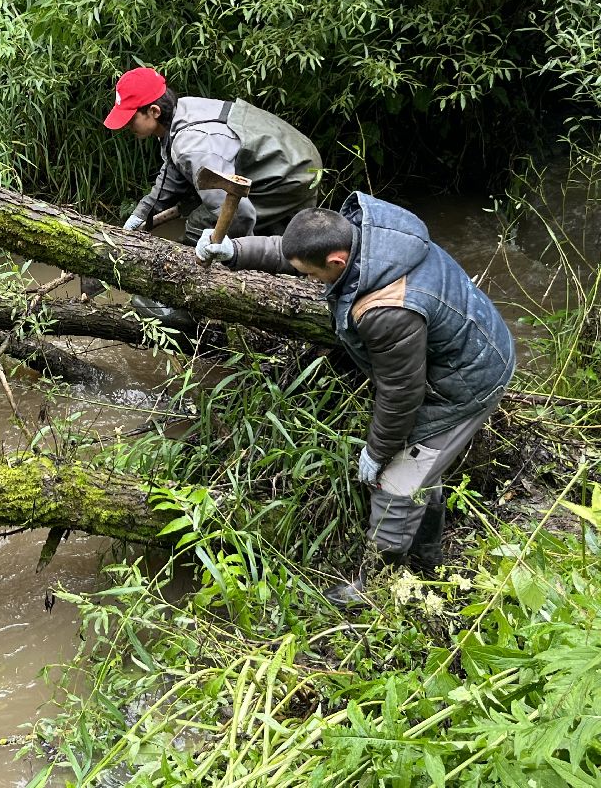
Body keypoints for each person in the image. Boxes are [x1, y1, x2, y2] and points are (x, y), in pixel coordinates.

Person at [196, 195, 516, 608]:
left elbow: (402, 395)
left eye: (311, 276)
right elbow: (293, 251)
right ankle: (426, 557)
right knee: (422, 471)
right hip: (469, 345)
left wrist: (377, 452)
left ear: (336, 261)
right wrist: (236, 250)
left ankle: (375, 586)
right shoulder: (365, 233)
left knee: (396, 483)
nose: (309, 282)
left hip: (465, 382)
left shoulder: (387, 309)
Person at [104, 65, 322, 244]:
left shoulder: (194, 146)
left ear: (154, 111)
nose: (126, 125)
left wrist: (233, 252)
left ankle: (187, 286)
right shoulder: (182, 111)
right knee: (289, 244)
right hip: (289, 155)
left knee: (201, 225)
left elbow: (236, 211)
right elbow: (173, 172)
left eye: (131, 118)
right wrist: (142, 213)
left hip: (290, 172)